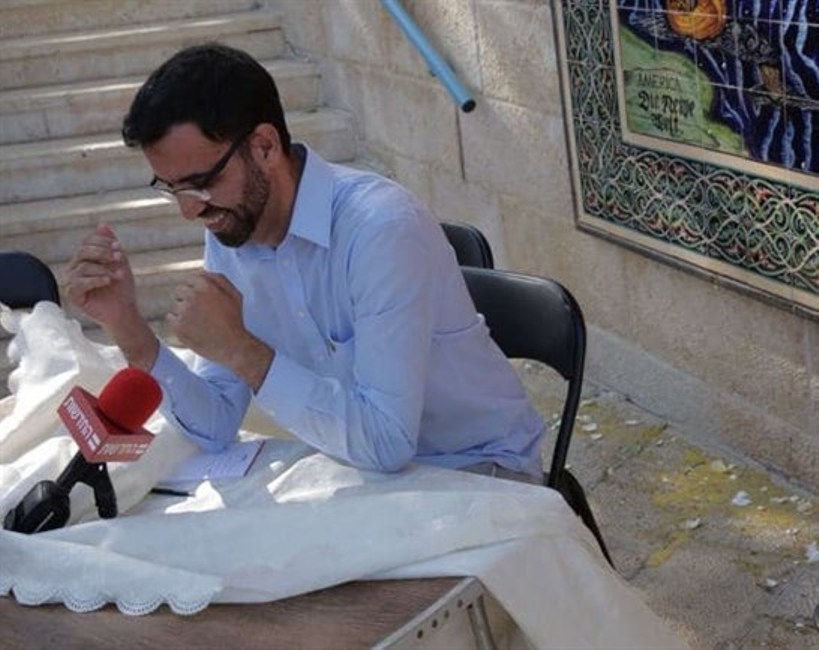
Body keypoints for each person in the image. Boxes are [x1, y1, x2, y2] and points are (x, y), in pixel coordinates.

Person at [64, 44, 545, 482]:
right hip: (367, 475)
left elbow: (386, 442)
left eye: (202, 183)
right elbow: (215, 425)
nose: (190, 211)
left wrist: (241, 349)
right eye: (173, 189)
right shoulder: (232, 227)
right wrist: (127, 327)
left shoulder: (381, 230)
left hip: (479, 470)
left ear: (265, 146)